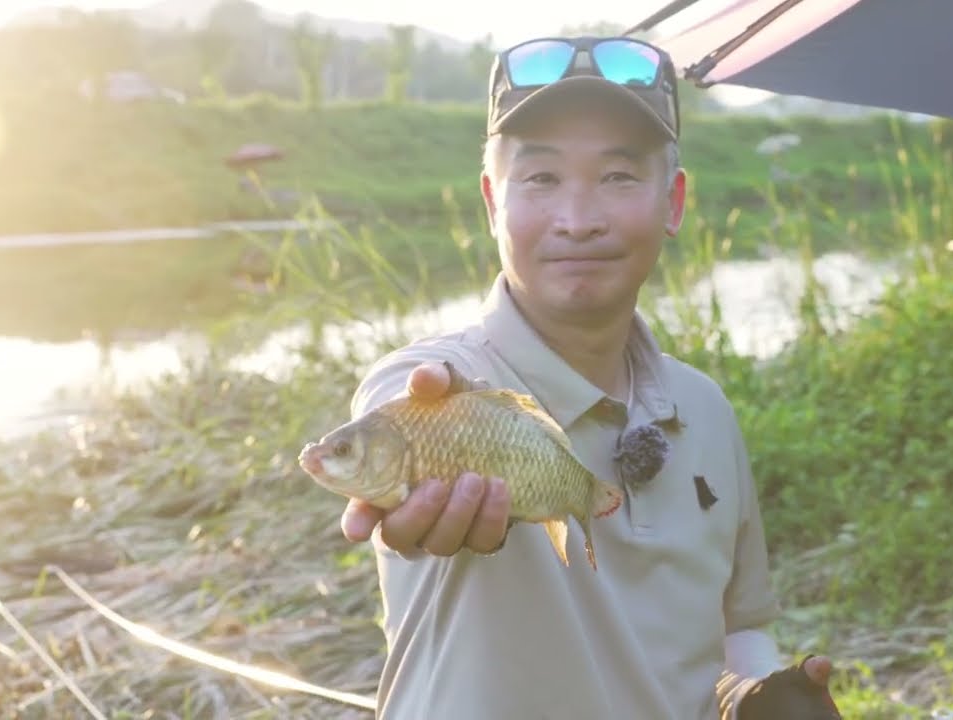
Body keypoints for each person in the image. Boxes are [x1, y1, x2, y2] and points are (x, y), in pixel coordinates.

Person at [338, 36, 843, 719]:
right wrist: (405, 494)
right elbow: (397, 405)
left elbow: (738, 626)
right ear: (492, 202)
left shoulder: (705, 408)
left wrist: (759, 691)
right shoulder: (442, 393)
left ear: (673, 202)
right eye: (541, 180)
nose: (578, 221)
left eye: (618, 177)